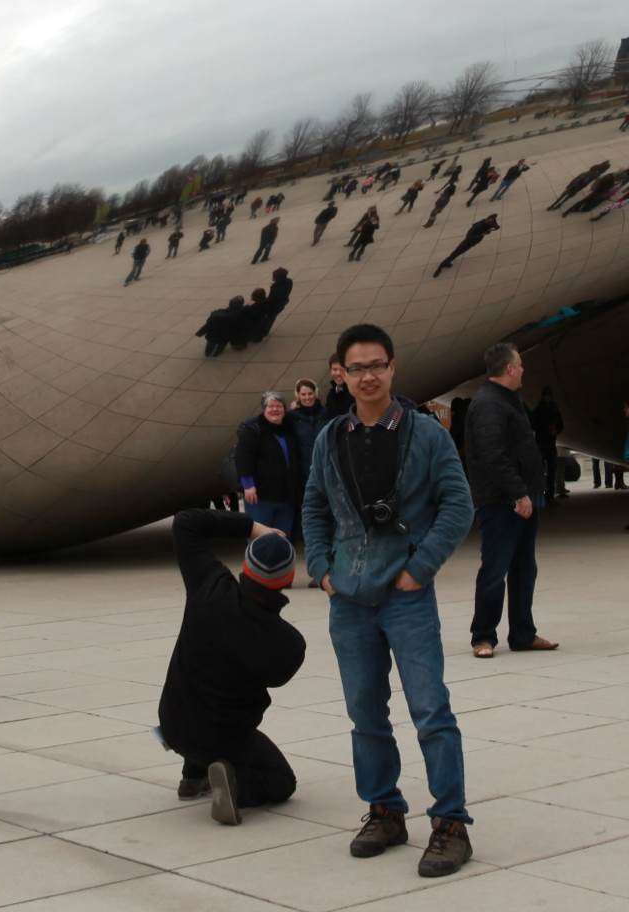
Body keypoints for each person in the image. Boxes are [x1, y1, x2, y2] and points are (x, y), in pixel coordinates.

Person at [302, 323, 475, 877]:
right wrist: (322, 570)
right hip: (348, 599)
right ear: (341, 374)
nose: (368, 376)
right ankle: (384, 810)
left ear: (393, 368)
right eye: (357, 368)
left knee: (430, 710)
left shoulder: (425, 434)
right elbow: (314, 506)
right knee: (364, 713)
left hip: (406, 596)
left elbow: (458, 504)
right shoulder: (331, 437)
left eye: (377, 365)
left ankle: (450, 823)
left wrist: (419, 569)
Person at [157, 508, 305, 823]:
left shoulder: (209, 585)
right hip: (222, 736)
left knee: (201, 692)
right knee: (282, 781)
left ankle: (193, 774)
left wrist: (254, 527)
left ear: (246, 566)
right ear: (288, 579)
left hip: (172, 721)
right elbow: (278, 677)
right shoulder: (287, 643)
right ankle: (235, 784)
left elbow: (185, 522)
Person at [464, 342, 559, 659]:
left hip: (522, 498)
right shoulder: (488, 404)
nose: (523, 369)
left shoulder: (509, 399)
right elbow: (492, 455)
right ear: (509, 368)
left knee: (524, 568)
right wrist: (517, 492)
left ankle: (522, 634)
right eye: (520, 364)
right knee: (495, 570)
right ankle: (483, 636)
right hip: (501, 502)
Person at [236, 392, 301, 538]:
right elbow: (243, 457)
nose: (275, 409)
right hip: (260, 496)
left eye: (279, 406)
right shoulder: (253, 429)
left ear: (284, 410)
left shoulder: (288, 430)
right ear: (264, 409)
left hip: (286, 496)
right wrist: (248, 485)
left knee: (283, 538)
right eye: (270, 406)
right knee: (260, 539)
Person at [288, 378, 328, 493]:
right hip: (302, 471)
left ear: (315, 393)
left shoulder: (326, 413)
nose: (307, 397)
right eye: (303, 394)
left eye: (310, 393)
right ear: (298, 395)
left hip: (324, 467)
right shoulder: (291, 417)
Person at [433, 214, 499, 276]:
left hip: (472, 242)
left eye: (491, 222)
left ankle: (447, 261)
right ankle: (443, 264)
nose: (491, 223)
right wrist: (482, 234)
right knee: (457, 252)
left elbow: (495, 226)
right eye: (490, 222)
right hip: (468, 242)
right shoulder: (478, 226)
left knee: (458, 252)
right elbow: (469, 236)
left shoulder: (485, 222)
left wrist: (492, 228)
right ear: (488, 219)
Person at [531, 387, 564, 503]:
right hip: (542, 443)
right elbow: (533, 424)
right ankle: (541, 495)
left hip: (549, 443)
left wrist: (556, 430)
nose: (547, 398)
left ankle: (549, 495)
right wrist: (546, 428)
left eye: (549, 396)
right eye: (546, 396)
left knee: (551, 471)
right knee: (541, 471)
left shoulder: (554, 409)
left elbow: (560, 425)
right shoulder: (539, 410)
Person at [251, 267, 293, 340]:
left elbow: (271, 300)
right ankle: (265, 331)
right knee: (272, 317)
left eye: (274, 276)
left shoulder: (275, 288)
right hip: (282, 302)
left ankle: (263, 332)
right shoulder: (289, 281)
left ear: (277, 278)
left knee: (269, 318)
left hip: (274, 306)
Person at [325, 353, 355, 418]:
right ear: (330, 371)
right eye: (335, 369)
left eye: (342, 369)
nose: (338, 373)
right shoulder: (331, 395)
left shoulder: (356, 392)